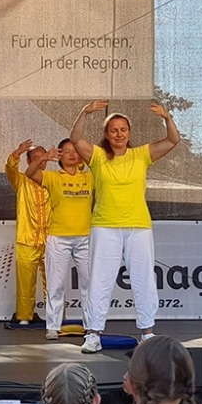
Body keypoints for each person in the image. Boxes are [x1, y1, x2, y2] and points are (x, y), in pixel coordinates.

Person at [69, 101, 180, 353]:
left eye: (123, 129)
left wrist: (167, 117)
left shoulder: (141, 154)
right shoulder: (96, 156)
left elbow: (173, 140)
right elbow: (75, 139)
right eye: (114, 130)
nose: (119, 134)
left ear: (129, 133)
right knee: (99, 280)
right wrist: (85, 111)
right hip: (105, 226)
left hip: (138, 226)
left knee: (143, 280)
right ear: (107, 135)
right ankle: (93, 334)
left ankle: (148, 332)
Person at [25, 139, 94, 340]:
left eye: (76, 151)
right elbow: (29, 173)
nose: (72, 154)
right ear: (59, 156)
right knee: (55, 284)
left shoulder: (90, 177)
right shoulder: (53, 177)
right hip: (58, 238)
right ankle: (53, 327)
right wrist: (44, 158)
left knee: (89, 284)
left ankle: (92, 325)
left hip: (85, 238)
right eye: (67, 151)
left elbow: (103, 167)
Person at [5, 140, 50, 325]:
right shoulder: (21, 180)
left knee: (54, 283)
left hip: (51, 239)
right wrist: (17, 152)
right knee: (25, 282)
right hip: (26, 239)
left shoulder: (53, 179)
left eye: (43, 158)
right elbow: (10, 169)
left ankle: (55, 318)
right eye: (36, 158)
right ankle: (24, 317)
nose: (40, 162)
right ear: (28, 161)